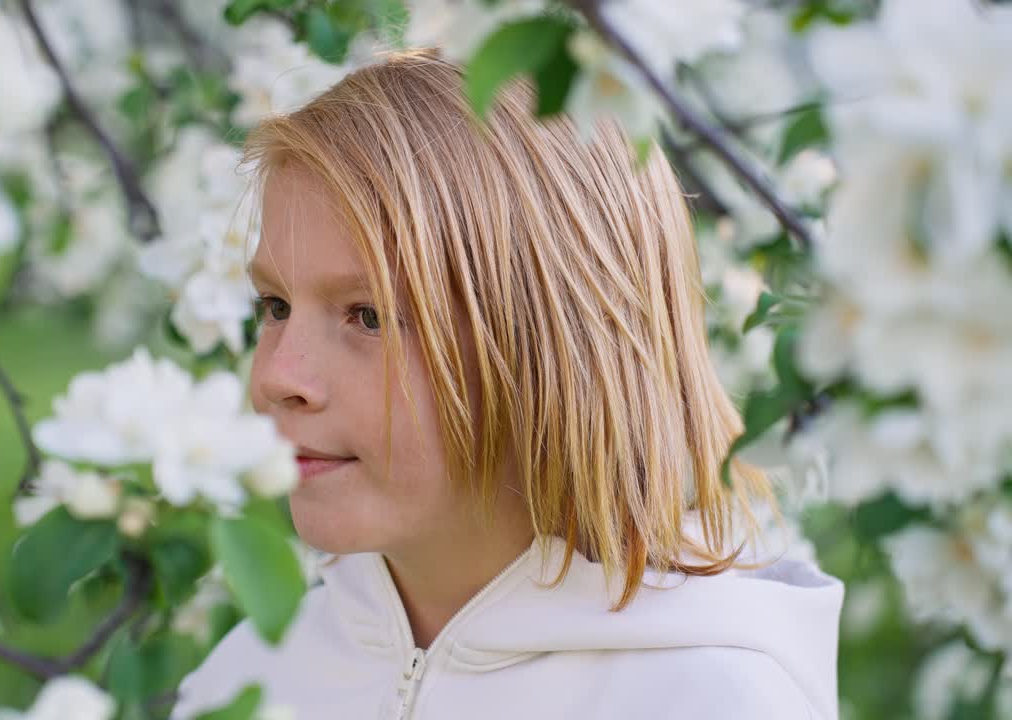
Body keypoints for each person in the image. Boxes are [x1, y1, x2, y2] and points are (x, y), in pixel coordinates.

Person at [170, 48, 843, 720]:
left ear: (555, 344)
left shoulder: (708, 700)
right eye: (275, 306)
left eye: (368, 316)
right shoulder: (246, 679)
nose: (279, 377)